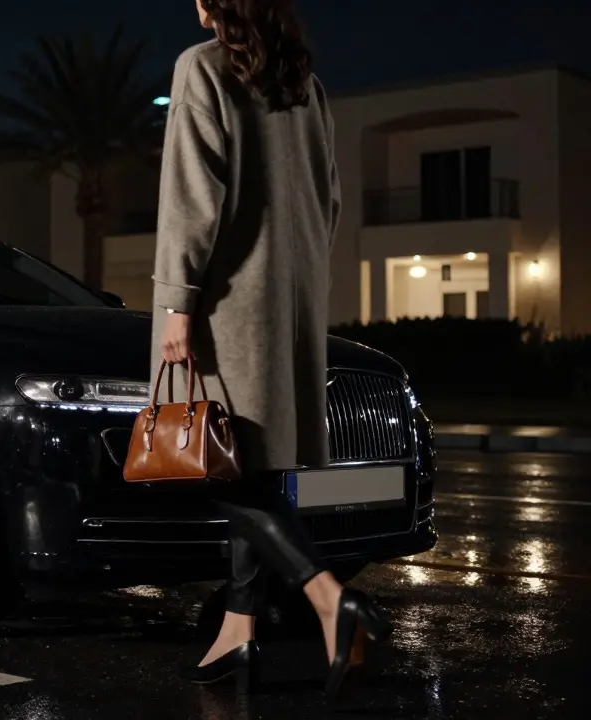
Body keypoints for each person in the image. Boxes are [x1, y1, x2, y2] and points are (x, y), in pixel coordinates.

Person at [152, 0, 392, 701]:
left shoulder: (201, 68)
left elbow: (193, 196)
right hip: (292, 301)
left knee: (220, 470)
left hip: (226, 301)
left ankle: (328, 597)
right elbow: (330, 199)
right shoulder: (303, 82)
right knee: (252, 464)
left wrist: (177, 303)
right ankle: (239, 630)